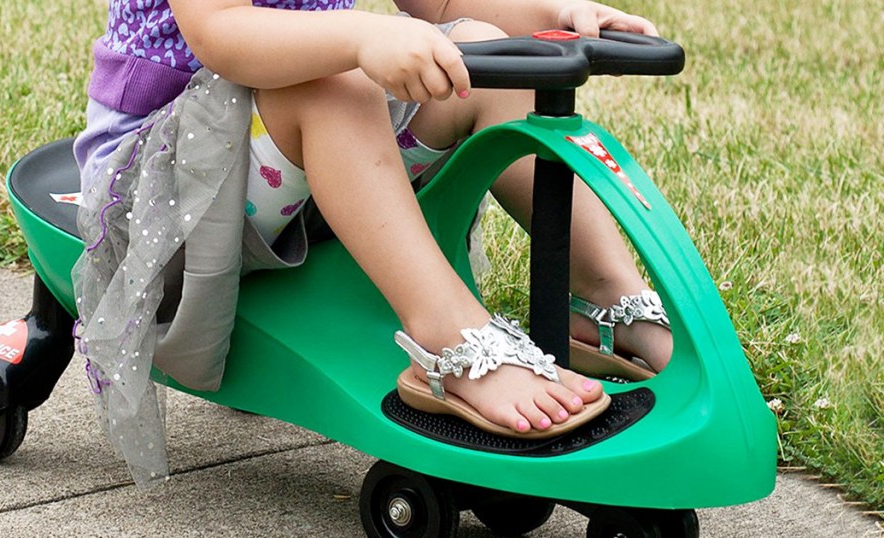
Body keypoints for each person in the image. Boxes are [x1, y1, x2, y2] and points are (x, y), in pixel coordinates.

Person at [73, 0, 674, 484]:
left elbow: (439, 3)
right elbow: (221, 31)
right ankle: (448, 335)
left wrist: (554, 14)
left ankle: (605, 301)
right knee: (336, 82)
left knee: (485, 56)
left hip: (289, 155)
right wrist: (360, 37)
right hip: (167, 192)